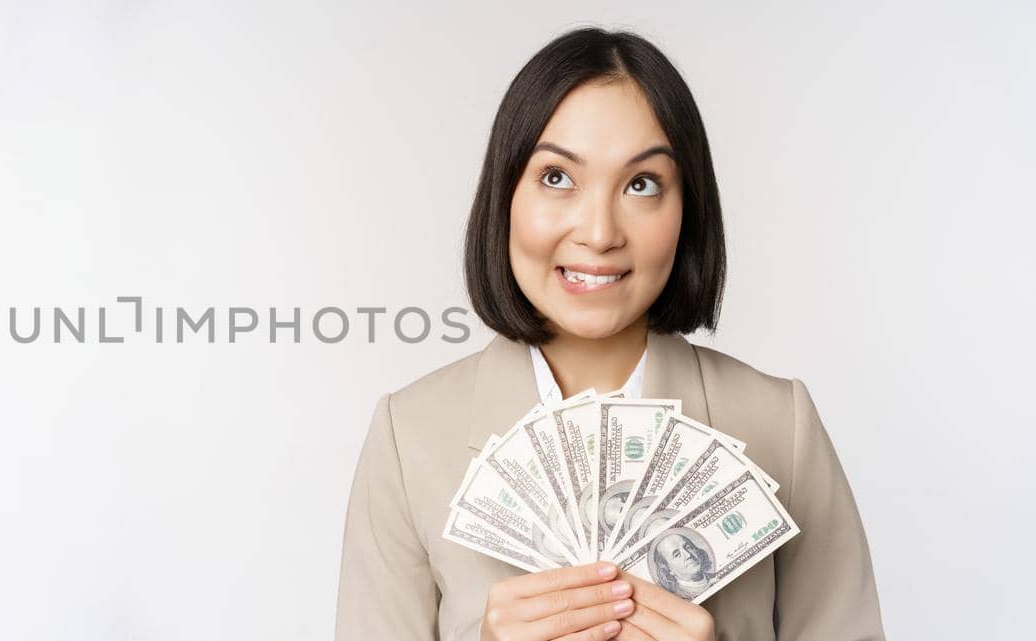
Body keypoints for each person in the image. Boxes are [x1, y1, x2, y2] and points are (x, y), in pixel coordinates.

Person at [333, 27, 884, 641]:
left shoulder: (781, 426)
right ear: (505, 195)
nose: (598, 233)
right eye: (556, 177)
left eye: (641, 184)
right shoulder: (409, 438)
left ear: (687, 210)